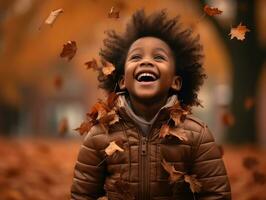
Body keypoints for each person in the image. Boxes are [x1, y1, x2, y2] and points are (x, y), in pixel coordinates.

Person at [71, 9, 231, 200]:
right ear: (122, 81)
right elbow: (83, 195)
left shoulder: (197, 136)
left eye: (159, 57)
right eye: (136, 57)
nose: (146, 61)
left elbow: (216, 195)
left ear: (176, 82)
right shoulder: (99, 136)